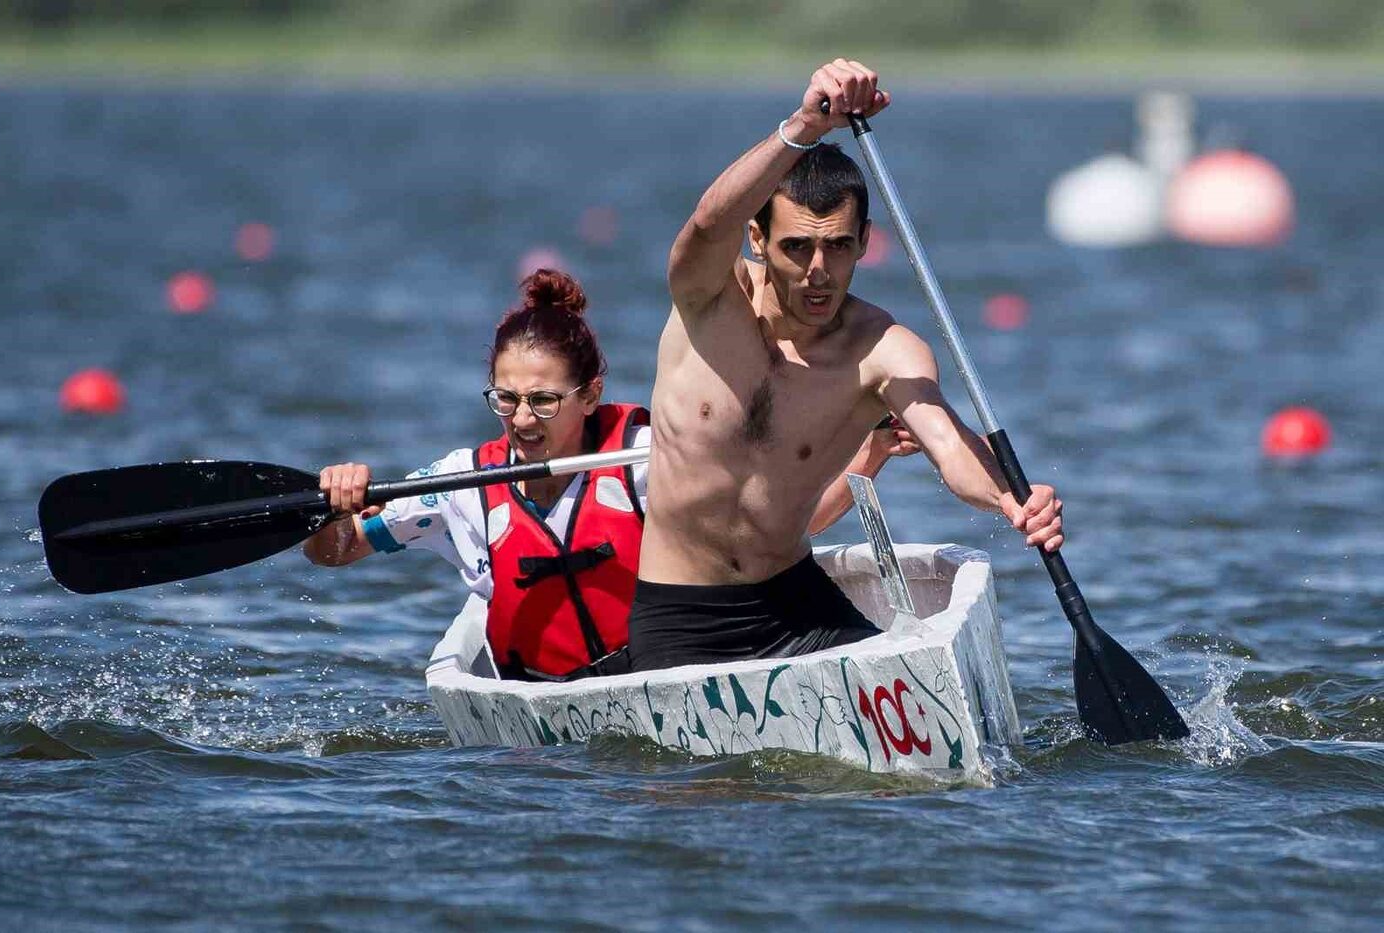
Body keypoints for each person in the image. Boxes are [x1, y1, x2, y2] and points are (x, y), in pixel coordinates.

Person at [628, 58, 1065, 672]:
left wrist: (1011, 501)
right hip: (682, 617)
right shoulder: (708, 300)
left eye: (837, 246)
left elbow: (947, 441)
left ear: (863, 241)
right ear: (757, 240)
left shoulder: (881, 347)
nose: (817, 272)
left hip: (796, 606)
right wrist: (805, 126)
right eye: (796, 247)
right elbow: (706, 224)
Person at [303, 268, 906, 682]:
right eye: (506, 400)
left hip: (661, 680)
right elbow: (333, 553)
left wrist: (866, 459)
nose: (523, 420)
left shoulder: (648, 460)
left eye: (544, 400)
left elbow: (780, 529)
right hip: (539, 720)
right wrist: (333, 506)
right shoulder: (463, 484)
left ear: (591, 395)